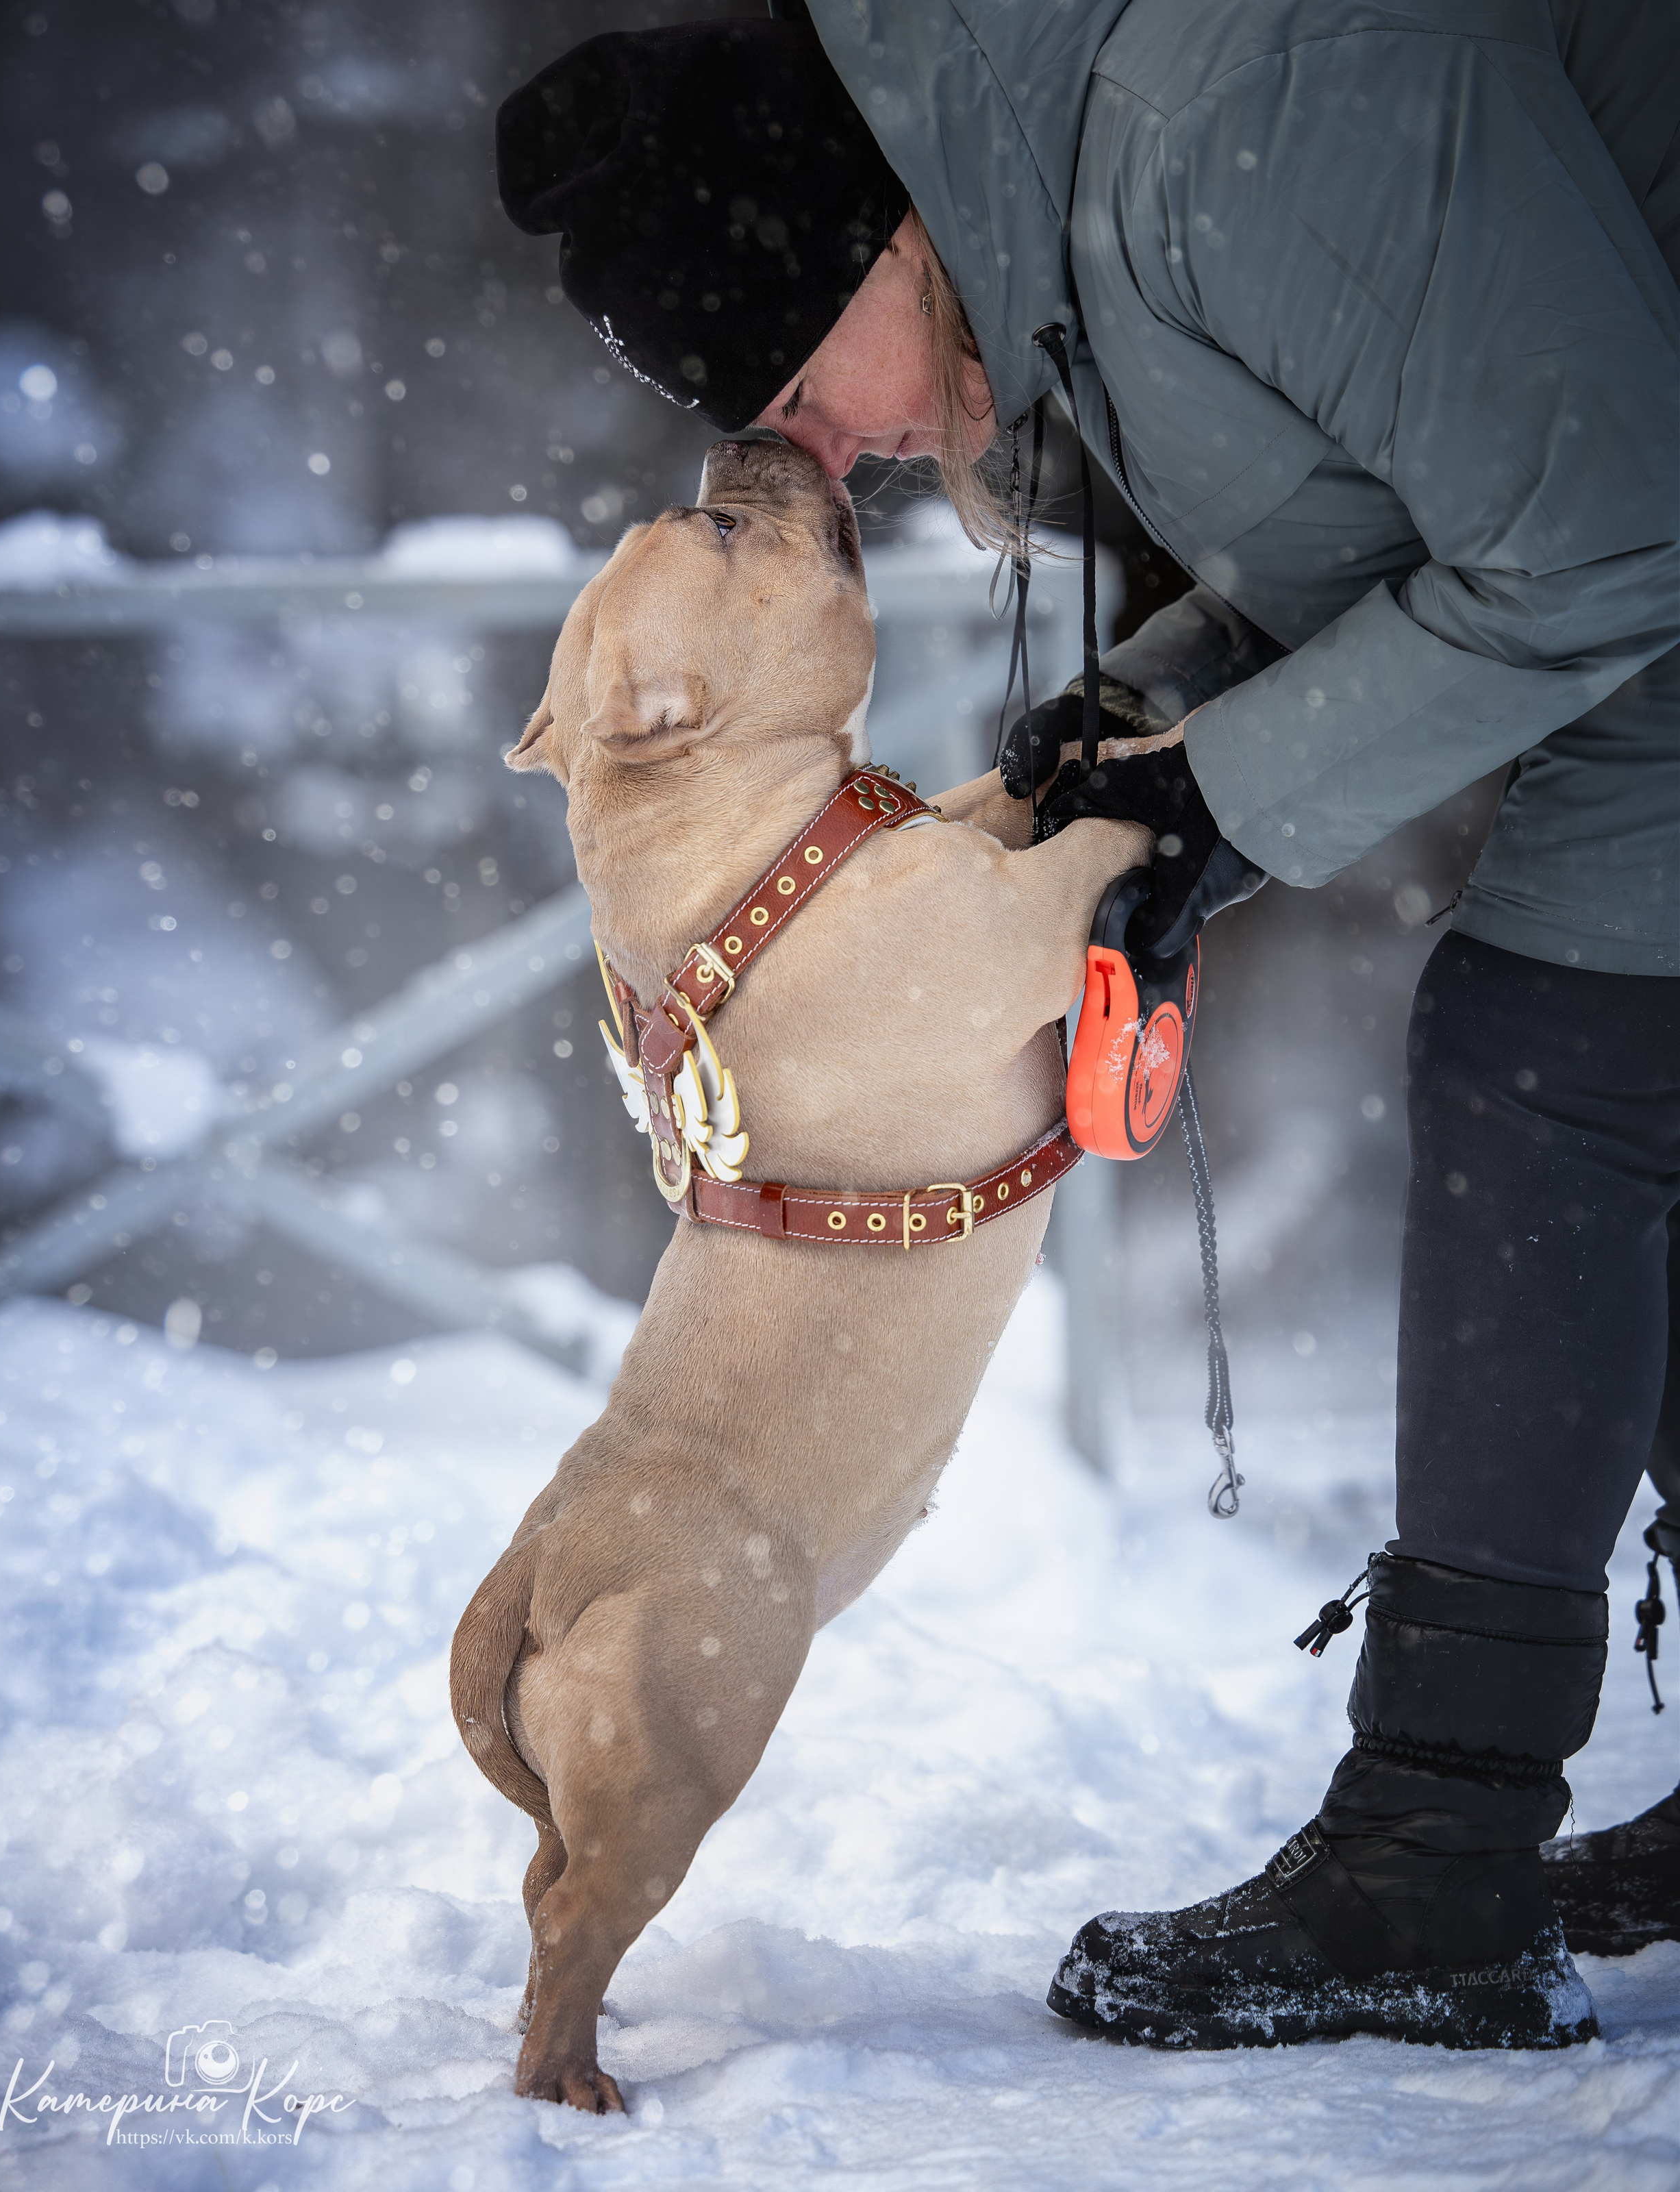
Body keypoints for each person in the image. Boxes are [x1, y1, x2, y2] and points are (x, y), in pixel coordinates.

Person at [497, 1, 1680, 2048]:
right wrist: (1165, 700)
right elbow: (1408, 487)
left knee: (1550, 1076)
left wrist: (1223, 789)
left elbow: (1601, 521)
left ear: (880, 241)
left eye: (802, 392)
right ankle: (1451, 1834)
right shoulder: (1080, 196)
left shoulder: (1227, 110)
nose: (835, 453)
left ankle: (1437, 1852)